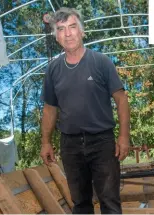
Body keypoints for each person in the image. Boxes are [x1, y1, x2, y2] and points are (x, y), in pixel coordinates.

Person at [40, 7, 130, 214]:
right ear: (56, 36)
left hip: (102, 142)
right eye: (61, 29)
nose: (68, 33)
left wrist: (124, 137)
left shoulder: (101, 62)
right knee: (80, 203)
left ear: (82, 32)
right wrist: (46, 142)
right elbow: (49, 109)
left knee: (110, 201)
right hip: (70, 145)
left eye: (72, 27)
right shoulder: (53, 70)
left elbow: (121, 100)